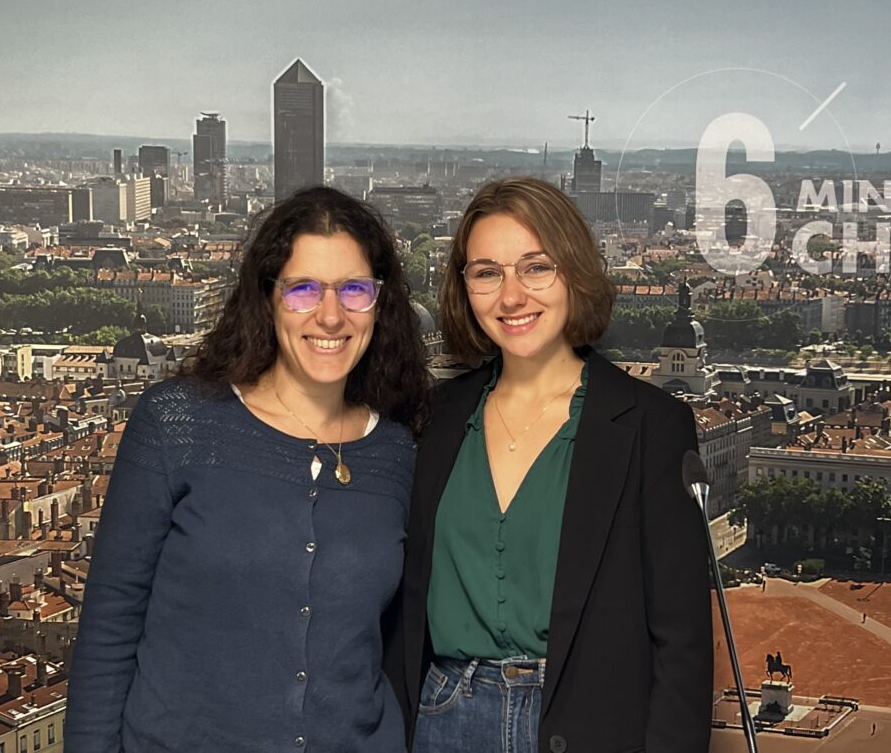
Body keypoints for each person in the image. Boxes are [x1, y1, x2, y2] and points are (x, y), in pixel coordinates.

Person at [66, 186, 429, 752]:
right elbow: (108, 630)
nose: (330, 315)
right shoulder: (177, 423)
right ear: (266, 298)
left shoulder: (400, 450)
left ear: (380, 303)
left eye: (354, 289)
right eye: (303, 288)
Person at [389, 177, 712, 752]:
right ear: (465, 288)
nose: (511, 296)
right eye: (487, 272)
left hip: (592, 725)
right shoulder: (429, 422)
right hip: (443, 722)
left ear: (575, 273)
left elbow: (682, 642)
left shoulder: (652, 426)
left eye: (535, 267)